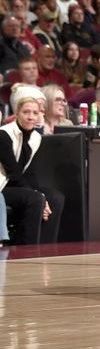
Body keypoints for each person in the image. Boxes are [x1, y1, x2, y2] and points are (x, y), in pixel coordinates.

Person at [0, 95, 65, 244]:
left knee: (55, 197)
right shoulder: (4, 135)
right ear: (16, 114)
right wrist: (38, 195)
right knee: (35, 199)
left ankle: (46, 246)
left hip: (18, 185)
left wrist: (42, 194)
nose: (31, 117)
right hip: (3, 186)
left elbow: (29, 172)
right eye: (26, 112)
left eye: (35, 113)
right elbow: (14, 173)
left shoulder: (36, 137)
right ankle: (28, 249)